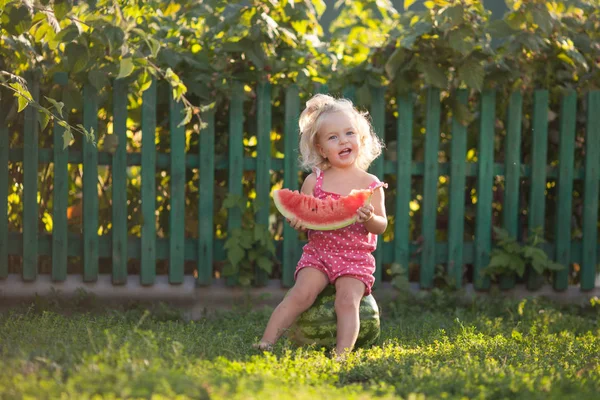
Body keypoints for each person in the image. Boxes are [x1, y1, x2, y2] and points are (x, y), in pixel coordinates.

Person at [254, 93, 388, 358]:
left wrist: (370, 218)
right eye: (333, 137)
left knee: (347, 301)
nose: (343, 141)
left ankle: (341, 354)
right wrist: (299, 223)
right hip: (319, 254)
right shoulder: (313, 181)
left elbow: (381, 226)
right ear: (320, 148)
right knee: (300, 295)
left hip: (355, 258)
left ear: (360, 138)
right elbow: (309, 223)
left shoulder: (370, 184)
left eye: (349, 133)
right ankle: (266, 342)